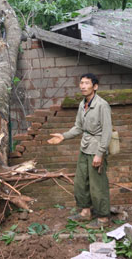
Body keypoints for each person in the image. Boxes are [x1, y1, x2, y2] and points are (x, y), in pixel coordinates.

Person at [48, 73, 112, 227]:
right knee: (80, 182)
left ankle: (103, 218)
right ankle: (86, 212)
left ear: (95, 87)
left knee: (98, 185)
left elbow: (107, 131)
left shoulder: (102, 105)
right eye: (81, 83)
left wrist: (100, 153)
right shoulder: (82, 104)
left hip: (96, 149)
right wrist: (63, 136)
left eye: (87, 83)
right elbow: (78, 127)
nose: (83, 86)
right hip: (85, 148)